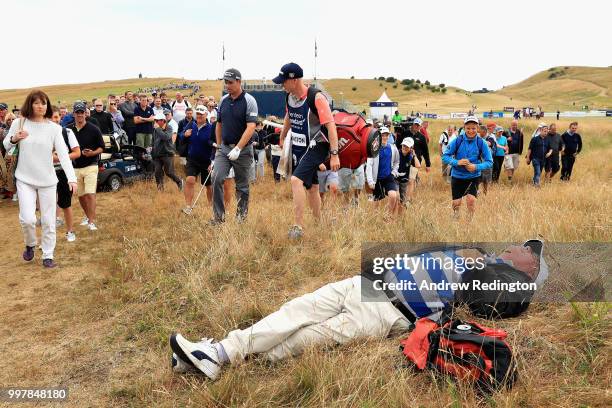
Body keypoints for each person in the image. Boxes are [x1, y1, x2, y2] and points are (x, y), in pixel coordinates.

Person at [169, 239, 548, 380]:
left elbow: (510, 301)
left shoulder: (506, 281)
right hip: (365, 285)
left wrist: (514, 279)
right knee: (294, 311)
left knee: (305, 338)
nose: (517, 247)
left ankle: (219, 357)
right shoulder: (478, 253)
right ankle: (219, 353)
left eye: (526, 251)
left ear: (527, 267)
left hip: (387, 312)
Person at [3, 90, 78, 268]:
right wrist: (15, 138)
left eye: (44, 103)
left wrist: (71, 178)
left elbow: (64, 155)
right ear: (30, 104)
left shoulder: (54, 128)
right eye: (37, 103)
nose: (41, 106)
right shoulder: (19, 123)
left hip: (48, 180)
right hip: (24, 178)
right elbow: (6, 145)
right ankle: (30, 244)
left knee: (48, 220)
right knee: (28, 219)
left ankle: (48, 254)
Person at [275, 63, 339, 238]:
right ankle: (319, 224)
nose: (282, 85)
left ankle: (298, 226)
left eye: (284, 81)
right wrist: (282, 136)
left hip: (318, 145)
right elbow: (289, 116)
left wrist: (334, 155)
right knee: (312, 187)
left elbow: (331, 126)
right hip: (299, 146)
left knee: (296, 180)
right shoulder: (290, 97)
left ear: (294, 80)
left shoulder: (317, 98)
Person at [211, 68, 258, 224]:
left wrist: (238, 148)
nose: (227, 86)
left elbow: (251, 127)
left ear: (239, 82)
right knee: (216, 178)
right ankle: (218, 218)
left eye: (230, 83)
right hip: (224, 149)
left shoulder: (249, 101)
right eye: (226, 82)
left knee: (242, 186)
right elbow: (219, 124)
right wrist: (218, 146)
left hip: (243, 150)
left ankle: (241, 219)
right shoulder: (223, 100)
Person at [442, 116, 493, 220]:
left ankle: (470, 223)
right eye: (468, 128)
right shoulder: (457, 141)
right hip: (457, 176)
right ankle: (456, 218)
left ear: (477, 128)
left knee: (471, 201)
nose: (471, 131)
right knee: (456, 203)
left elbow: (489, 162)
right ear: (464, 127)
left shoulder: (481, 142)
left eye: (473, 128)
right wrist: (457, 162)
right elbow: (445, 156)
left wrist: (476, 167)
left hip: (473, 176)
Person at [68, 102, 105, 231]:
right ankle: (88, 216)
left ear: (85, 113)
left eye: (82, 112)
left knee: (90, 194)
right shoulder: (68, 130)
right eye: (77, 112)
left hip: (91, 165)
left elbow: (102, 147)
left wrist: (92, 153)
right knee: (81, 196)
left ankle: (91, 221)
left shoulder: (94, 129)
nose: (80, 115)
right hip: (75, 167)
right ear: (73, 114)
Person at [50, 106, 81, 242]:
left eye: (56, 117)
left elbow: (77, 153)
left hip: (63, 172)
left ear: (60, 117)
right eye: (51, 117)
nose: (54, 120)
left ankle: (70, 231)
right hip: (47, 172)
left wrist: (59, 157)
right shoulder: (41, 134)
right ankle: (48, 237)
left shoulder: (66, 132)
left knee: (66, 204)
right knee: (47, 206)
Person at [180, 106, 215, 213]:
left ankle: (211, 206)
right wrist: (184, 135)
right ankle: (188, 206)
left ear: (206, 115)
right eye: (198, 114)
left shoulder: (211, 128)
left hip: (206, 161)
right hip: (192, 159)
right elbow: (181, 136)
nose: (199, 116)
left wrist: (213, 161)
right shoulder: (191, 125)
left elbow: (215, 146)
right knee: (190, 180)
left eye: (201, 114)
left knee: (208, 186)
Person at [366, 129, 399, 218]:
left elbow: (396, 162)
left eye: (386, 135)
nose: (384, 137)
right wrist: (370, 181)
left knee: (393, 195)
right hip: (377, 179)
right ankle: (375, 219)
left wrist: (394, 173)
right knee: (376, 202)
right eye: (383, 135)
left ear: (389, 136)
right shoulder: (374, 149)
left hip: (388, 177)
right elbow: (369, 165)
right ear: (379, 136)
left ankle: (389, 216)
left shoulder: (393, 148)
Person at [152, 112, 183, 191]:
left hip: (167, 154)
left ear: (162, 121)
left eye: (157, 120)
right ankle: (160, 189)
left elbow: (165, 137)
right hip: (157, 154)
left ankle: (179, 181)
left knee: (169, 172)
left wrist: (158, 129)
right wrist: (151, 147)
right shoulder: (156, 129)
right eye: (155, 120)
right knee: (157, 172)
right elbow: (154, 140)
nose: (155, 122)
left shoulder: (169, 128)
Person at [396, 137, 420, 206]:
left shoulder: (411, 156)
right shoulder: (397, 153)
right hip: (395, 179)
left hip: (404, 180)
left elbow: (418, 166)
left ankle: (401, 214)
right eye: (404, 145)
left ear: (411, 148)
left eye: (407, 146)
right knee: (396, 197)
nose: (405, 148)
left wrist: (414, 155)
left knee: (402, 201)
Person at [477, 125, 495, 195]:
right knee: (477, 178)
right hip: (478, 162)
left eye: (479, 132)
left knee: (486, 180)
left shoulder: (490, 138)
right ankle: (477, 191)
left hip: (486, 162)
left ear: (484, 132)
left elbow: (489, 143)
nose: (478, 133)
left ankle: (485, 193)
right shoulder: (477, 138)